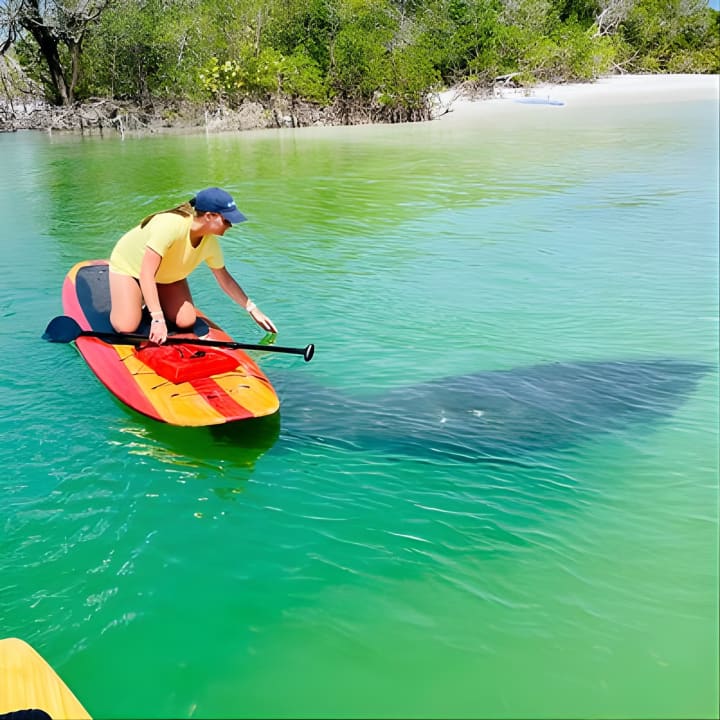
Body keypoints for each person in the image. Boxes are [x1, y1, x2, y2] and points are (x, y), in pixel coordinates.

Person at [108, 187, 277, 344]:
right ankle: (139, 298)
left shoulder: (210, 243)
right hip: (131, 270)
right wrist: (157, 318)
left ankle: (150, 299)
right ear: (210, 216)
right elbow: (146, 274)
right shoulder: (169, 225)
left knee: (186, 321)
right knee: (126, 327)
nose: (230, 226)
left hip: (166, 277)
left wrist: (252, 308)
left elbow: (224, 279)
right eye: (227, 220)